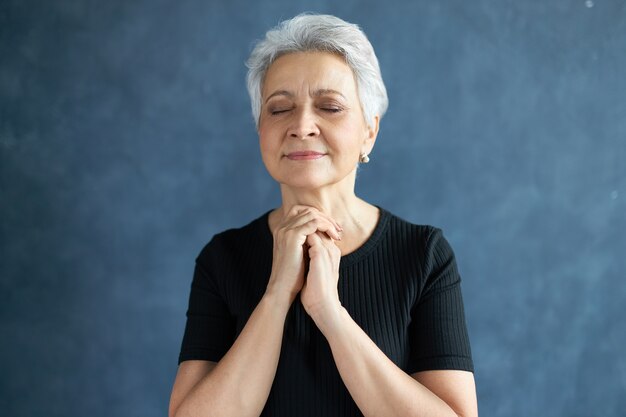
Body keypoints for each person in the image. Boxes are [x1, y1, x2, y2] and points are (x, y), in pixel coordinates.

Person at [169, 13, 477, 417]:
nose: (301, 125)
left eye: (329, 106)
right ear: (259, 128)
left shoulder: (423, 254)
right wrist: (277, 295)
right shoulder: (223, 258)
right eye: (279, 109)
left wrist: (329, 314)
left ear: (370, 131)